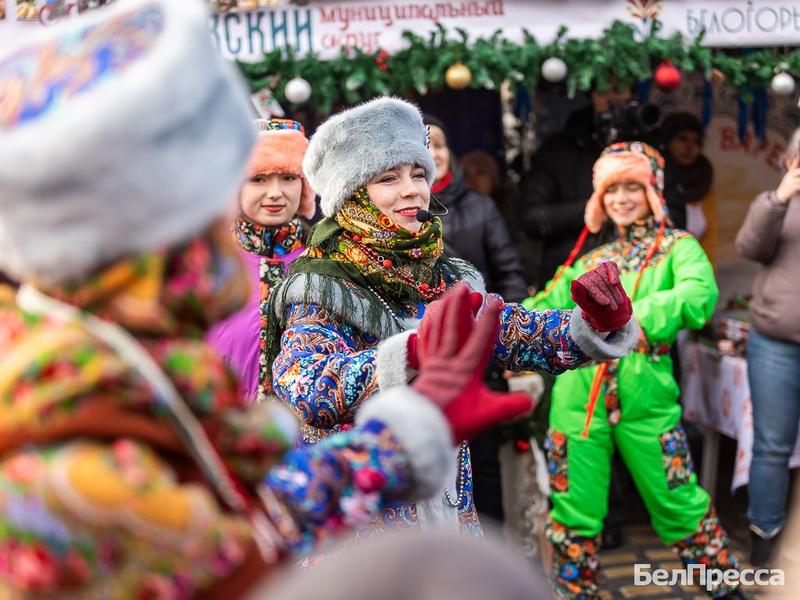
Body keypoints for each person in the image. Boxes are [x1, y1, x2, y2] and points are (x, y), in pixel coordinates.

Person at [0, 2, 532, 596]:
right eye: (225, 191)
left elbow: (253, 504)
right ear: (160, 231)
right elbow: (245, 547)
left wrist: (401, 441)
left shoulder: (107, 358)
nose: (247, 219)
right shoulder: (69, 452)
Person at [266, 96, 639, 538]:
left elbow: (512, 333)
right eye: (389, 178)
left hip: (446, 513)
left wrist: (593, 322)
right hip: (364, 533)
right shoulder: (320, 284)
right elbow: (305, 384)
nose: (413, 190)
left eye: (419, 174)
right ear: (353, 194)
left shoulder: (442, 274)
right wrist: (409, 353)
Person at [524, 141, 743, 598]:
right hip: (577, 405)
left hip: (647, 397)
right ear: (598, 200)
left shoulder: (677, 248)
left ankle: (726, 590)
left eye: (631, 187)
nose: (620, 199)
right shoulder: (585, 264)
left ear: (653, 191)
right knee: (572, 515)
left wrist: (624, 316)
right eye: (610, 190)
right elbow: (539, 312)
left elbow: (696, 297)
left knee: (680, 501)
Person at [424, 114, 528, 523]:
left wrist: (508, 335)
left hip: (479, 357)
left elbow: (510, 274)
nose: (434, 153)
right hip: (420, 360)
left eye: (440, 145)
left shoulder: (480, 207)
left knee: (483, 466)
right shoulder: (390, 216)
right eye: (424, 145)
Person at [207, 118, 316, 403]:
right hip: (227, 432)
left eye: (289, 178)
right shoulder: (206, 264)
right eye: (258, 179)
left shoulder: (325, 259)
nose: (275, 193)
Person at [736, 128, 800, 567]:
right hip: (777, 343)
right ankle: (765, 537)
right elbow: (749, 247)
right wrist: (781, 197)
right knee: (773, 446)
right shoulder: (777, 201)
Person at [660, 112, 716, 262]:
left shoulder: (704, 184)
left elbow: (709, 244)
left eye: (696, 142)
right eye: (682, 139)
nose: (689, 147)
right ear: (667, 141)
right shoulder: (653, 180)